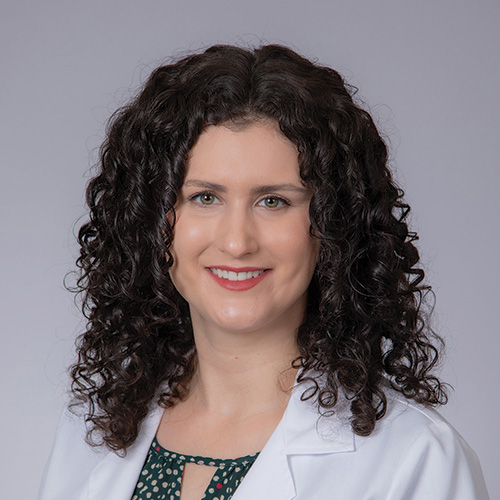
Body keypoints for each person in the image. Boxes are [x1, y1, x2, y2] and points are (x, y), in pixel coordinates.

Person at [38, 44, 490, 500]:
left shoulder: (416, 459)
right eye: (204, 198)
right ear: (151, 220)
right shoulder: (89, 429)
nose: (237, 242)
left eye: (273, 201)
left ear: (333, 224)